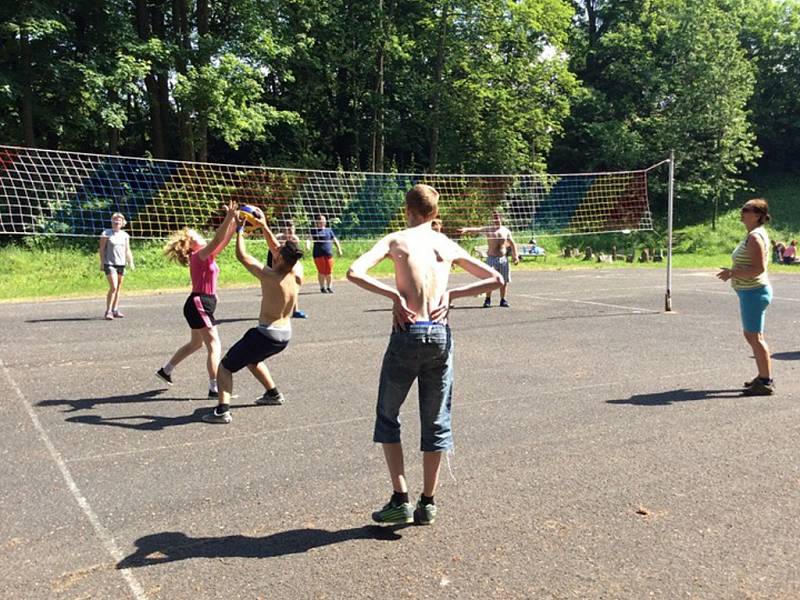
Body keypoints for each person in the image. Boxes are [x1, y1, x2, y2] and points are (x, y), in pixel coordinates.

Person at [347, 184, 503, 526]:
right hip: (439, 334)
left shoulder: (396, 240)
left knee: (388, 414)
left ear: (408, 210)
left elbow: (354, 272)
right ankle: (428, 502)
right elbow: (494, 277)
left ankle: (399, 497)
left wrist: (393, 295)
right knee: (435, 420)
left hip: (407, 332)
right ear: (434, 214)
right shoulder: (444, 243)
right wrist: (454, 294)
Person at [203, 211, 304, 424]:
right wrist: (264, 226)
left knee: (225, 367)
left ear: (279, 258)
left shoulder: (269, 275)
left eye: (277, 252)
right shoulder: (297, 273)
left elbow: (242, 256)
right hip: (284, 335)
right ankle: (273, 394)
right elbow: (277, 249)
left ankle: (222, 411)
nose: (274, 250)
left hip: (266, 334)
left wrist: (240, 230)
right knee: (252, 359)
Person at [156, 201, 237, 398]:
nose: (199, 233)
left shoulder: (206, 255)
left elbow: (223, 241)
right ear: (192, 242)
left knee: (196, 344)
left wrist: (235, 222)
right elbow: (218, 238)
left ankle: (165, 370)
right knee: (214, 345)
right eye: (195, 234)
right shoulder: (199, 254)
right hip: (200, 303)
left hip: (199, 303)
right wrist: (228, 218)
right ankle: (214, 387)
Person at [716, 198, 774, 396]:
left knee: (754, 337)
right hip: (752, 292)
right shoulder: (753, 234)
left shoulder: (755, 237)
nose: (742, 212)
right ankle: (762, 375)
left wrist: (732, 273)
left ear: (757, 215)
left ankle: (765, 381)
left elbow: (758, 269)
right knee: (753, 335)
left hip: (754, 292)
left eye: (746, 209)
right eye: (743, 209)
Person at [458, 211, 519, 307]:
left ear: (501, 219)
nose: (496, 220)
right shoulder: (489, 229)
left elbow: (512, 243)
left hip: (503, 259)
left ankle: (503, 299)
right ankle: (487, 299)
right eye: (494, 219)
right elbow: (477, 230)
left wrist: (515, 256)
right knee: (490, 280)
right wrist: (466, 229)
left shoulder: (506, 231)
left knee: (504, 280)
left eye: (498, 218)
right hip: (491, 258)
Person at [267, 220, 307, 318]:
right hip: (276, 263)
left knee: (293, 285)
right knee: (275, 287)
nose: (290, 230)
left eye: (292, 228)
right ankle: (275, 310)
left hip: (289, 264)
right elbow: (274, 251)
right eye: (288, 228)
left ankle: (295, 310)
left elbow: (294, 255)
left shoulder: (294, 239)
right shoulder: (278, 237)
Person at [99, 212, 134, 320]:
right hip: (110, 263)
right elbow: (101, 249)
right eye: (115, 220)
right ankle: (108, 311)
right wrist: (102, 262)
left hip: (121, 263)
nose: (117, 222)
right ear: (112, 221)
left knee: (118, 288)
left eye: (119, 220)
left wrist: (131, 262)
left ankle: (115, 309)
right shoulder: (106, 233)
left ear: (122, 222)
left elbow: (127, 250)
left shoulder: (125, 235)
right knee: (113, 287)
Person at [307, 214, 342, 293]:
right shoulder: (314, 230)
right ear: (317, 222)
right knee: (321, 271)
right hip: (318, 254)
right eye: (321, 220)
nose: (323, 222)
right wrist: (308, 246)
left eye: (324, 220)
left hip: (328, 254)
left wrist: (339, 249)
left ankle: (329, 287)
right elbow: (309, 239)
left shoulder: (329, 230)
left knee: (329, 271)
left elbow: (334, 240)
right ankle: (322, 287)